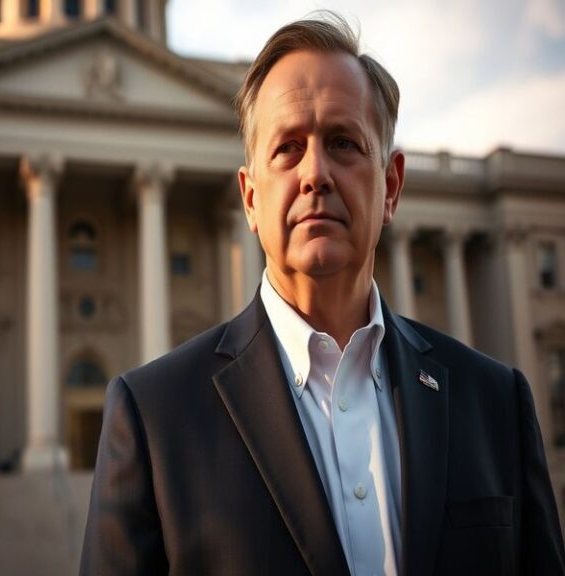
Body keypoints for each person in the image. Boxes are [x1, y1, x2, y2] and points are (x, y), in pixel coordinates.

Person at [80, 13, 565, 576]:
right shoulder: (154, 418)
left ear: (391, 186)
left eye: (343, 142)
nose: (316, 173)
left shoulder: (495, 404)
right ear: (250, 198)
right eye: (288, 148)